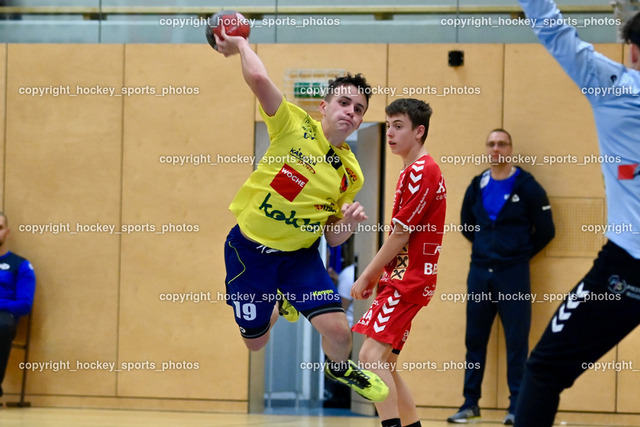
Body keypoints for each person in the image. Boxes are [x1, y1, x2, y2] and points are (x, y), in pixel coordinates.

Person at [213, 28, 389, 402]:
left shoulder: (351, 173)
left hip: (300, 257)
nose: (351, 112)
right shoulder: (293, 125)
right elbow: (259, 79)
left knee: (340, 332)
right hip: (249, 252)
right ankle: (278, 303)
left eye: (359, 109)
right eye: (344, 102)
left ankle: (339, 368)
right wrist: (241, 43)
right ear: (324, 107)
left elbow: (332, 237)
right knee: (256, 343)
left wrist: (348, 225)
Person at [512, 1, 640, 426]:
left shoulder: (614, 87)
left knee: (545, 370)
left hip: (627, 267)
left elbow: (554, 31)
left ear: (632, 51)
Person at [447, 129, 555, 425]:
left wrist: (517, 254)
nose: (496, 149)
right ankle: (470, 404)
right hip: (480, 273)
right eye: (491, 144)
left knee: (516, 343)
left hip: (514, 275)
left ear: (510, 149)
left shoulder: (528, 186)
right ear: (487, 149)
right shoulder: (477, 185)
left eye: (502, 144)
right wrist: (488, 250)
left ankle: (516, 406)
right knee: (474, 340)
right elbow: (466, 225)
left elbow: (547, 230)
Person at [351, 98, 447, 427]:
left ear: (419, 131)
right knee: (386, 364)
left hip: (407, 281)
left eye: (398, 126)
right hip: (406, 279)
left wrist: (367, 275)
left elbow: (400, 235)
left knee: (369, 357)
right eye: (388, 126)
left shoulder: (422, 170)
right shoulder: (413, 170)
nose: (390, 133)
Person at [0, 212, 35, 397]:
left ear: (7, 232)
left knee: (2, 326)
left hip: (4, 315)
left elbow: (24, 305)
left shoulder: (20, 264)